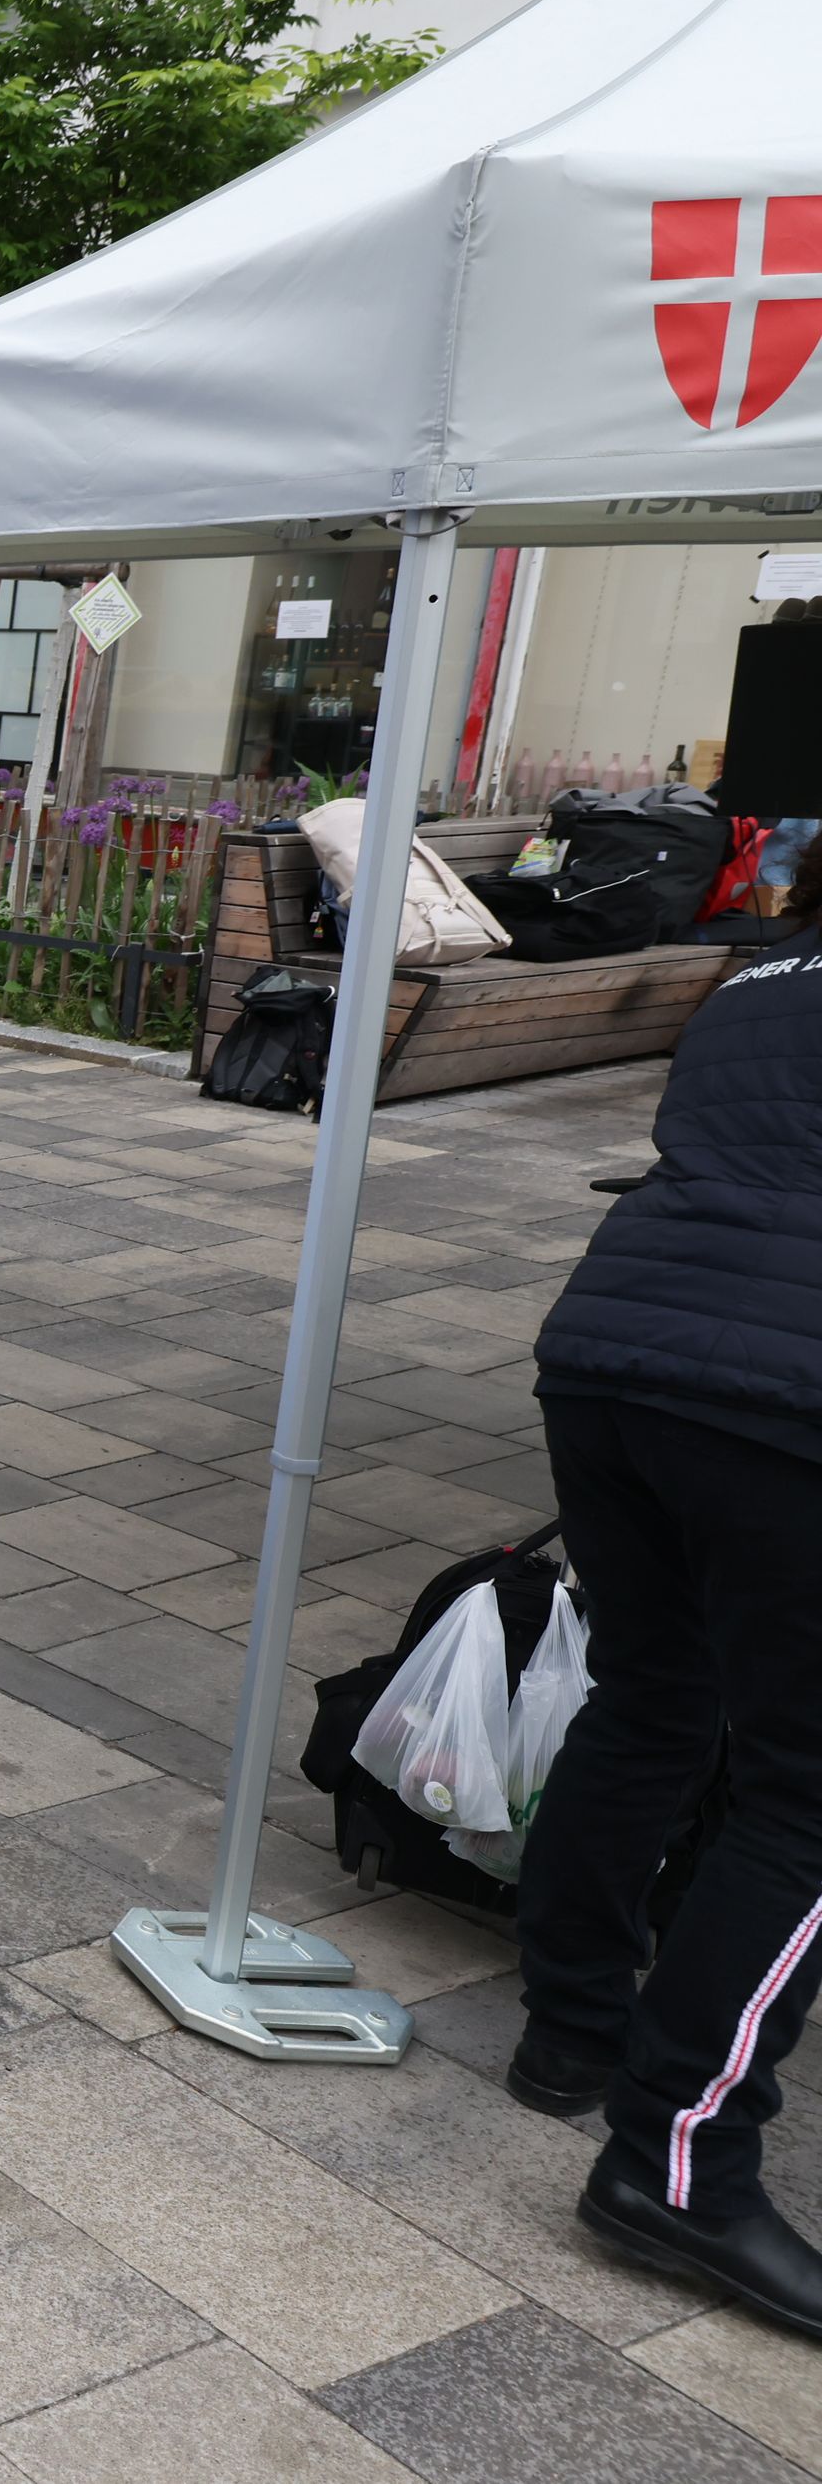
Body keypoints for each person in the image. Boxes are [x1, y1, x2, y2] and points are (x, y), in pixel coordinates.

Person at [511, 861, 822, 2337]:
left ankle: (570, 2034)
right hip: (782, 1400)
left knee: (650, 1697)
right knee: (802, 1798)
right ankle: (679, 2168)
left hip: (611, 1349)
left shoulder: (756, 974)